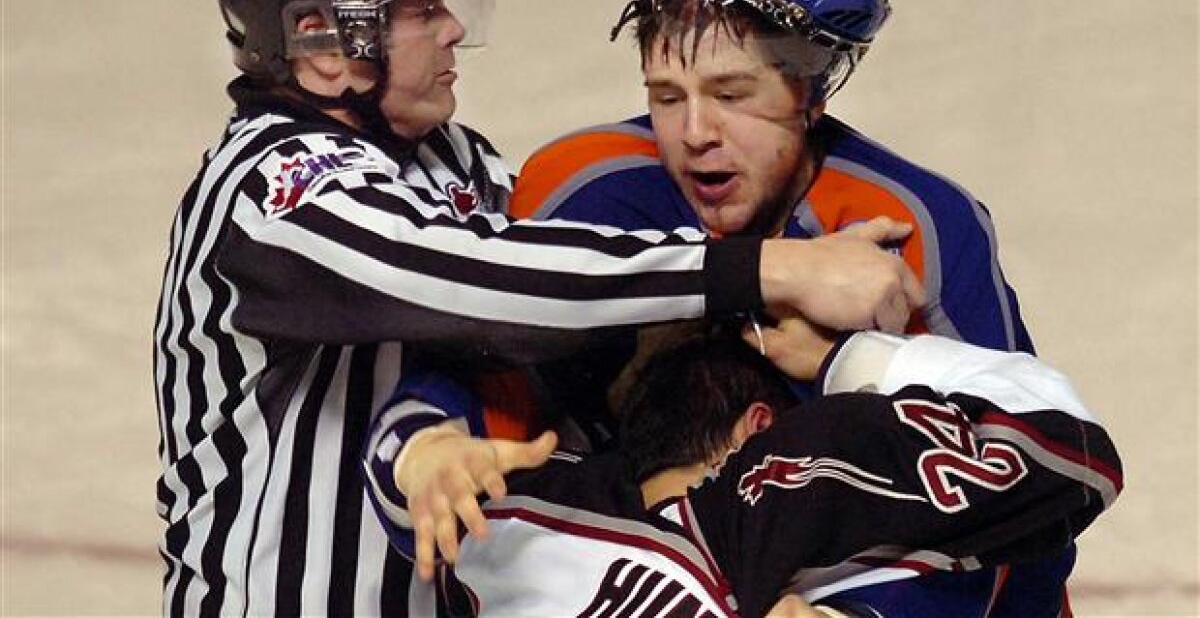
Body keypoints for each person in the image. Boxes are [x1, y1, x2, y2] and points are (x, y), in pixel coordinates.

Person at [155, 0, 924, 618]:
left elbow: (559, 294)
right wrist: (771, 269)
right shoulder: (270, 191)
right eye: (421, 9)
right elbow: (487, 284)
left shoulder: (450, 158)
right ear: (325, 44)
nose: (453, 28)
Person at [503, 0, 1068, 612]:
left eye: (732, 95)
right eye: (666, 95)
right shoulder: (584, 190)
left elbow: (1028, 493)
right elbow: (496, 427)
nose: (694, 133)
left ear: (809, 96)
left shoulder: (921, 228)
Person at [367, 323, 1122, 617]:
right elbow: (1073, 452)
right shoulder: (807, 473)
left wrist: (424, 448)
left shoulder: (518, 516)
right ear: (760, 424)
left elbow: (402, 484)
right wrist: (849, 359)